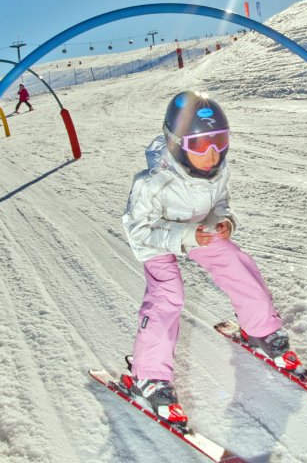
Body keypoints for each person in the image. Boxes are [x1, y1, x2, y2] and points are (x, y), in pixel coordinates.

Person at [120, 91, 295, 426]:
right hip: (158, 238)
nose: (212, 153)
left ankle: (261, 330)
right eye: (200, 144)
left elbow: (219, 201)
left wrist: (224, 221)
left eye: (219, 141)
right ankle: (149, 376)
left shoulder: (218, 169)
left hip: (198, 229)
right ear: (176, 143)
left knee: (235, 261)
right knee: (167, 295)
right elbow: (138, 231)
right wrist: (185, 237)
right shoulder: (152, 183)